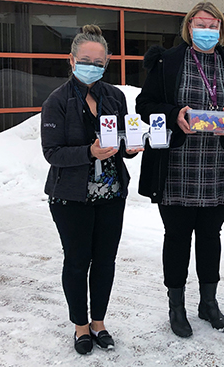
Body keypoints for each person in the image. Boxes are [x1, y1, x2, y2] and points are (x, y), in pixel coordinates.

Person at [135, 2, 224, 338]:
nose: (206, 30)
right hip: (176, 166)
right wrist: (175, 113)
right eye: (199, 24)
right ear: (188, 27)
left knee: (210, 237)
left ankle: (209, 303)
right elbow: (143, 105)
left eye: (213, 24)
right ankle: (176, 306)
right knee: (176, 238)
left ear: (222, 29)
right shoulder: (168, 61)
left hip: (218, 167)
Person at [41, 25, 142, 355]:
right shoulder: (57, 101)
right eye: (85, 60)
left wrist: (131, 147)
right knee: (77, 261)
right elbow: (52, 153)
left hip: (111, 195)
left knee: (105, 261)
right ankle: (80, 326)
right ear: (71, 60)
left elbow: (123, 138)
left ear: (107, 63)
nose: (92, 67)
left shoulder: (115, 96)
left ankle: (99, 322)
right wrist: (89, 152)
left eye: (99, 62)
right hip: (71, 197)